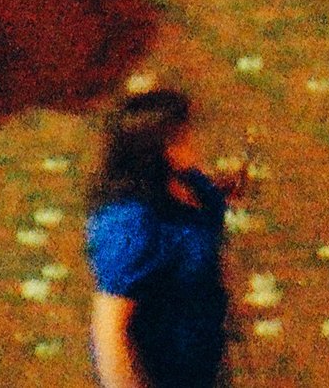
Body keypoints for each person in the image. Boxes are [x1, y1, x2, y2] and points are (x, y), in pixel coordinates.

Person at [86, 85, 233, 388]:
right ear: (158, 149)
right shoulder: (132, 224)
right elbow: (110, 333)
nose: (193, 139)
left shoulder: (190, 184)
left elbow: (200, 220)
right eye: (182, 135)